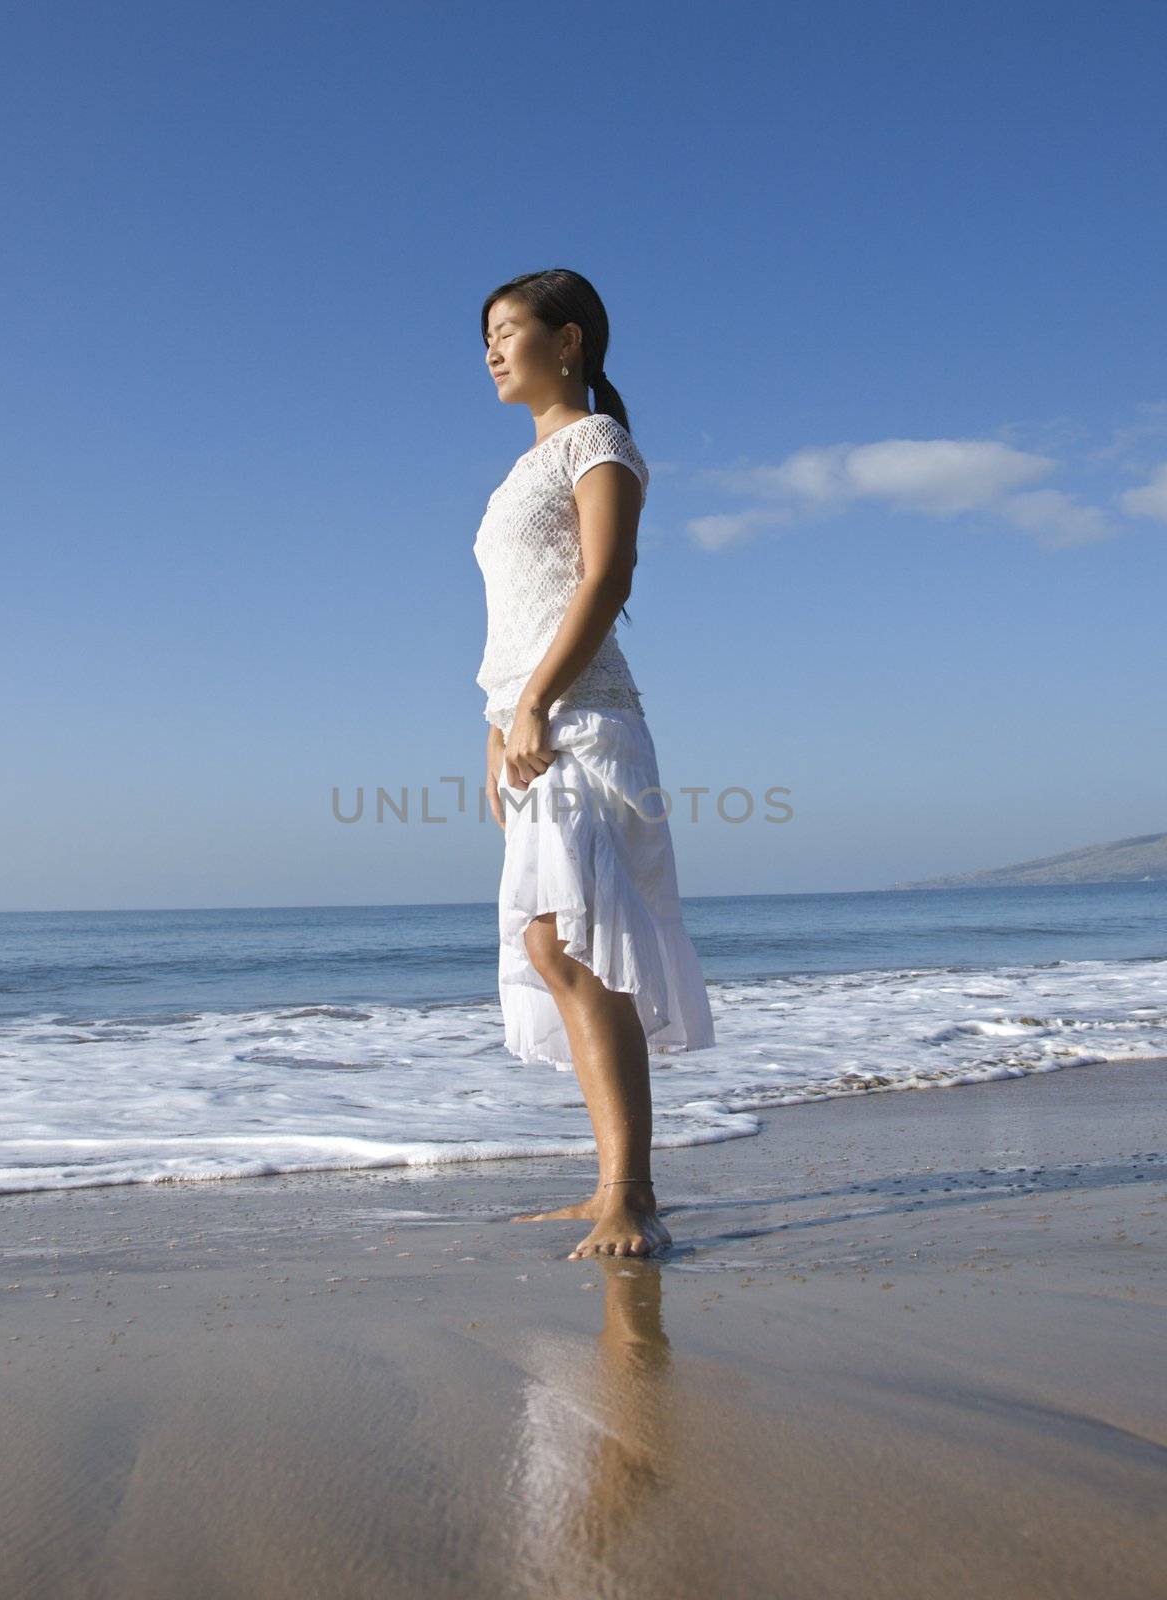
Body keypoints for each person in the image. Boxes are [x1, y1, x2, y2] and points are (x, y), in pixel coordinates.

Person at [474, 268, 716, 1261]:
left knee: (567, 939)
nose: (490, 350)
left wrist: (534, 700)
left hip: (584, 717)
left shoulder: (596, 443)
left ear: (567, 341)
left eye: (506, 331)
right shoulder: (511, 476)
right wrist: (496, 724)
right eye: (483, 337)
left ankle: (629, 1194)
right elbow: (514, 615)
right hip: (528, 723)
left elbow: (608, 579)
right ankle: (621, 1186)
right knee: (554, 944)